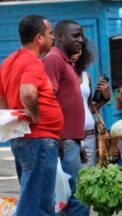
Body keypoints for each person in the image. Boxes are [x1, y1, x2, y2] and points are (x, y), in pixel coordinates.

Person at [0, 15, 64, 215]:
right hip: (39, 139)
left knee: (32, 197)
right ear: (39, 37)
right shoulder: (32, 62)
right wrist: (34, 115)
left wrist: (14, 117)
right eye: (50, 33)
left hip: (25, 139)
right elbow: (28, 92)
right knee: (37, 205)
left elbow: (2, 98)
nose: (53, 37)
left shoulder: (9, 62)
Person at [43, 20, 89, 215]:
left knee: (74, 196)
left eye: (81, 36)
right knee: (78, 197)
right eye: (75, 36)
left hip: (71, 140)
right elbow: (47, 98)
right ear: (59, 37)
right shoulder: (53, 60)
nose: (80, 40)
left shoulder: (67, 62)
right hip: (64, 140)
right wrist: (58, 136)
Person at [71, 37, 110, 167]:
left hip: (90, 136)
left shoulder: (85, 76)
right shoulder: (60, 75)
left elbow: (88, 108)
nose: (75, 54)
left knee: (90, 176)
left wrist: (105, 98)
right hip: (71, 138)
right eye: (72, 51)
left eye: (79, 51)